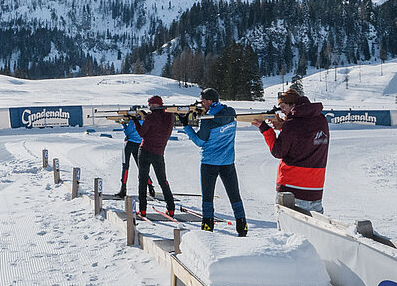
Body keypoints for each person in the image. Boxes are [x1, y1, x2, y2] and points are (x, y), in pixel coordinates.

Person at [183, 87, 247, 235]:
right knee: (234, 194)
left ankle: (207, 226)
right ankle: (242, 225)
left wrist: (187, 126)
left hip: (210, 162)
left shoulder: (208, 120)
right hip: (228, 161)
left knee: (207, 196)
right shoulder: (231, 112)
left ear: (210, 101)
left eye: (203, 101)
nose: (202, 104)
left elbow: (199, 141)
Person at [257, 89, 328, 213]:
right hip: (316, 188)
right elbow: (303, 139)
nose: (282, 111)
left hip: (292, 188)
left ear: (292, 105)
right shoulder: (321, 120)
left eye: (283, 107)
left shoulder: (292, 124)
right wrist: (284, 127)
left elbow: (278, 151)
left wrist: (265, 129)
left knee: (288, 231)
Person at [136, 95, 176, 219]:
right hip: (159, 153)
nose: (150, 107)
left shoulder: (151, 117)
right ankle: (171, 208)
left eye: (152, 105)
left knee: (142, 180)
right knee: (163, 181)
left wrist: (135, 120)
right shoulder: (169, 116)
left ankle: (142, 210)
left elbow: (142, 133)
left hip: (145, 150)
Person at [119, 105, 153, 204]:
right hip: (139, 145)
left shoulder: (132, 122)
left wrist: (123, 124)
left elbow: (127, 133)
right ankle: (150, 187)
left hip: (129, 144)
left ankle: (123, 189)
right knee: (142, 167)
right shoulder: (146, 122)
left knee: (125, 167)